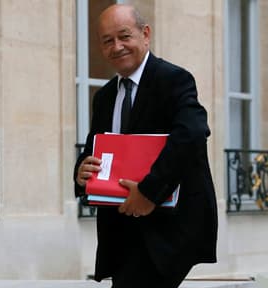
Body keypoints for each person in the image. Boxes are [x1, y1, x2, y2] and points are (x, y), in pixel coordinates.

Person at [74, 4, 218, 288]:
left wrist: (149, 192)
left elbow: (192, 135)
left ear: (145, 34)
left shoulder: (174, 80)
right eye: (107, 41)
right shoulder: (104, 97)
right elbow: (97, 148)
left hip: (164, 230)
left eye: (124, 36)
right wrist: (81, 172)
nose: (117, 47)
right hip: (121, 230)